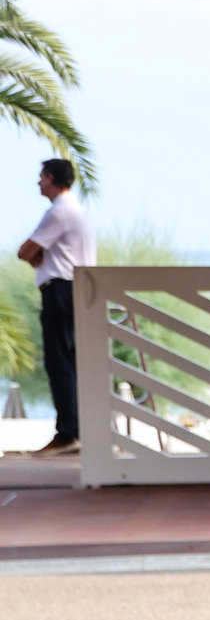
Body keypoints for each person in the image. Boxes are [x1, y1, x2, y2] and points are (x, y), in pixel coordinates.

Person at [17, 158, 93, 457]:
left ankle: (68, 433)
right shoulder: (76, 210)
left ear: (51, 178)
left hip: (61, 289)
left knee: (59, 361)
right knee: (72, 362)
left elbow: (25, 251)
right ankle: (78, 429)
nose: (38, 182)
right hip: (76, 289)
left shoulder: (59, 212)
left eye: (41, 177)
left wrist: (39, 258)